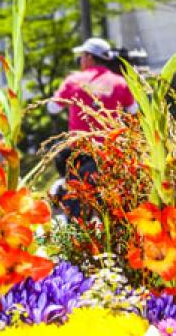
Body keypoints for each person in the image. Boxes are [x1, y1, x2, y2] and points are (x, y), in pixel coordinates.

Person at [48, 37, 137, 217]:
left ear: (89, 57)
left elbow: (52, 107)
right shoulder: (119, 82)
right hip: (112, 155)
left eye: (82, 56)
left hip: (82, 153)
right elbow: (134, 110)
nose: (80, 60)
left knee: (78, 209)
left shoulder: (75, 80)